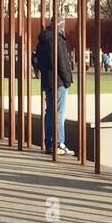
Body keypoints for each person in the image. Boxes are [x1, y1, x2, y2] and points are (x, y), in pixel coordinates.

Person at [33, 14, 74, 154]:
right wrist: (67, 80)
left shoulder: (42, 40)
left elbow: (37, 61)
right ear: (59, 24)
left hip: (47, 81)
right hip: (58, 81)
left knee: (50, 112)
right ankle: (59, 143)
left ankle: (50, 143)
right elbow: (62, 62)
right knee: (59, 113)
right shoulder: (57, 39)